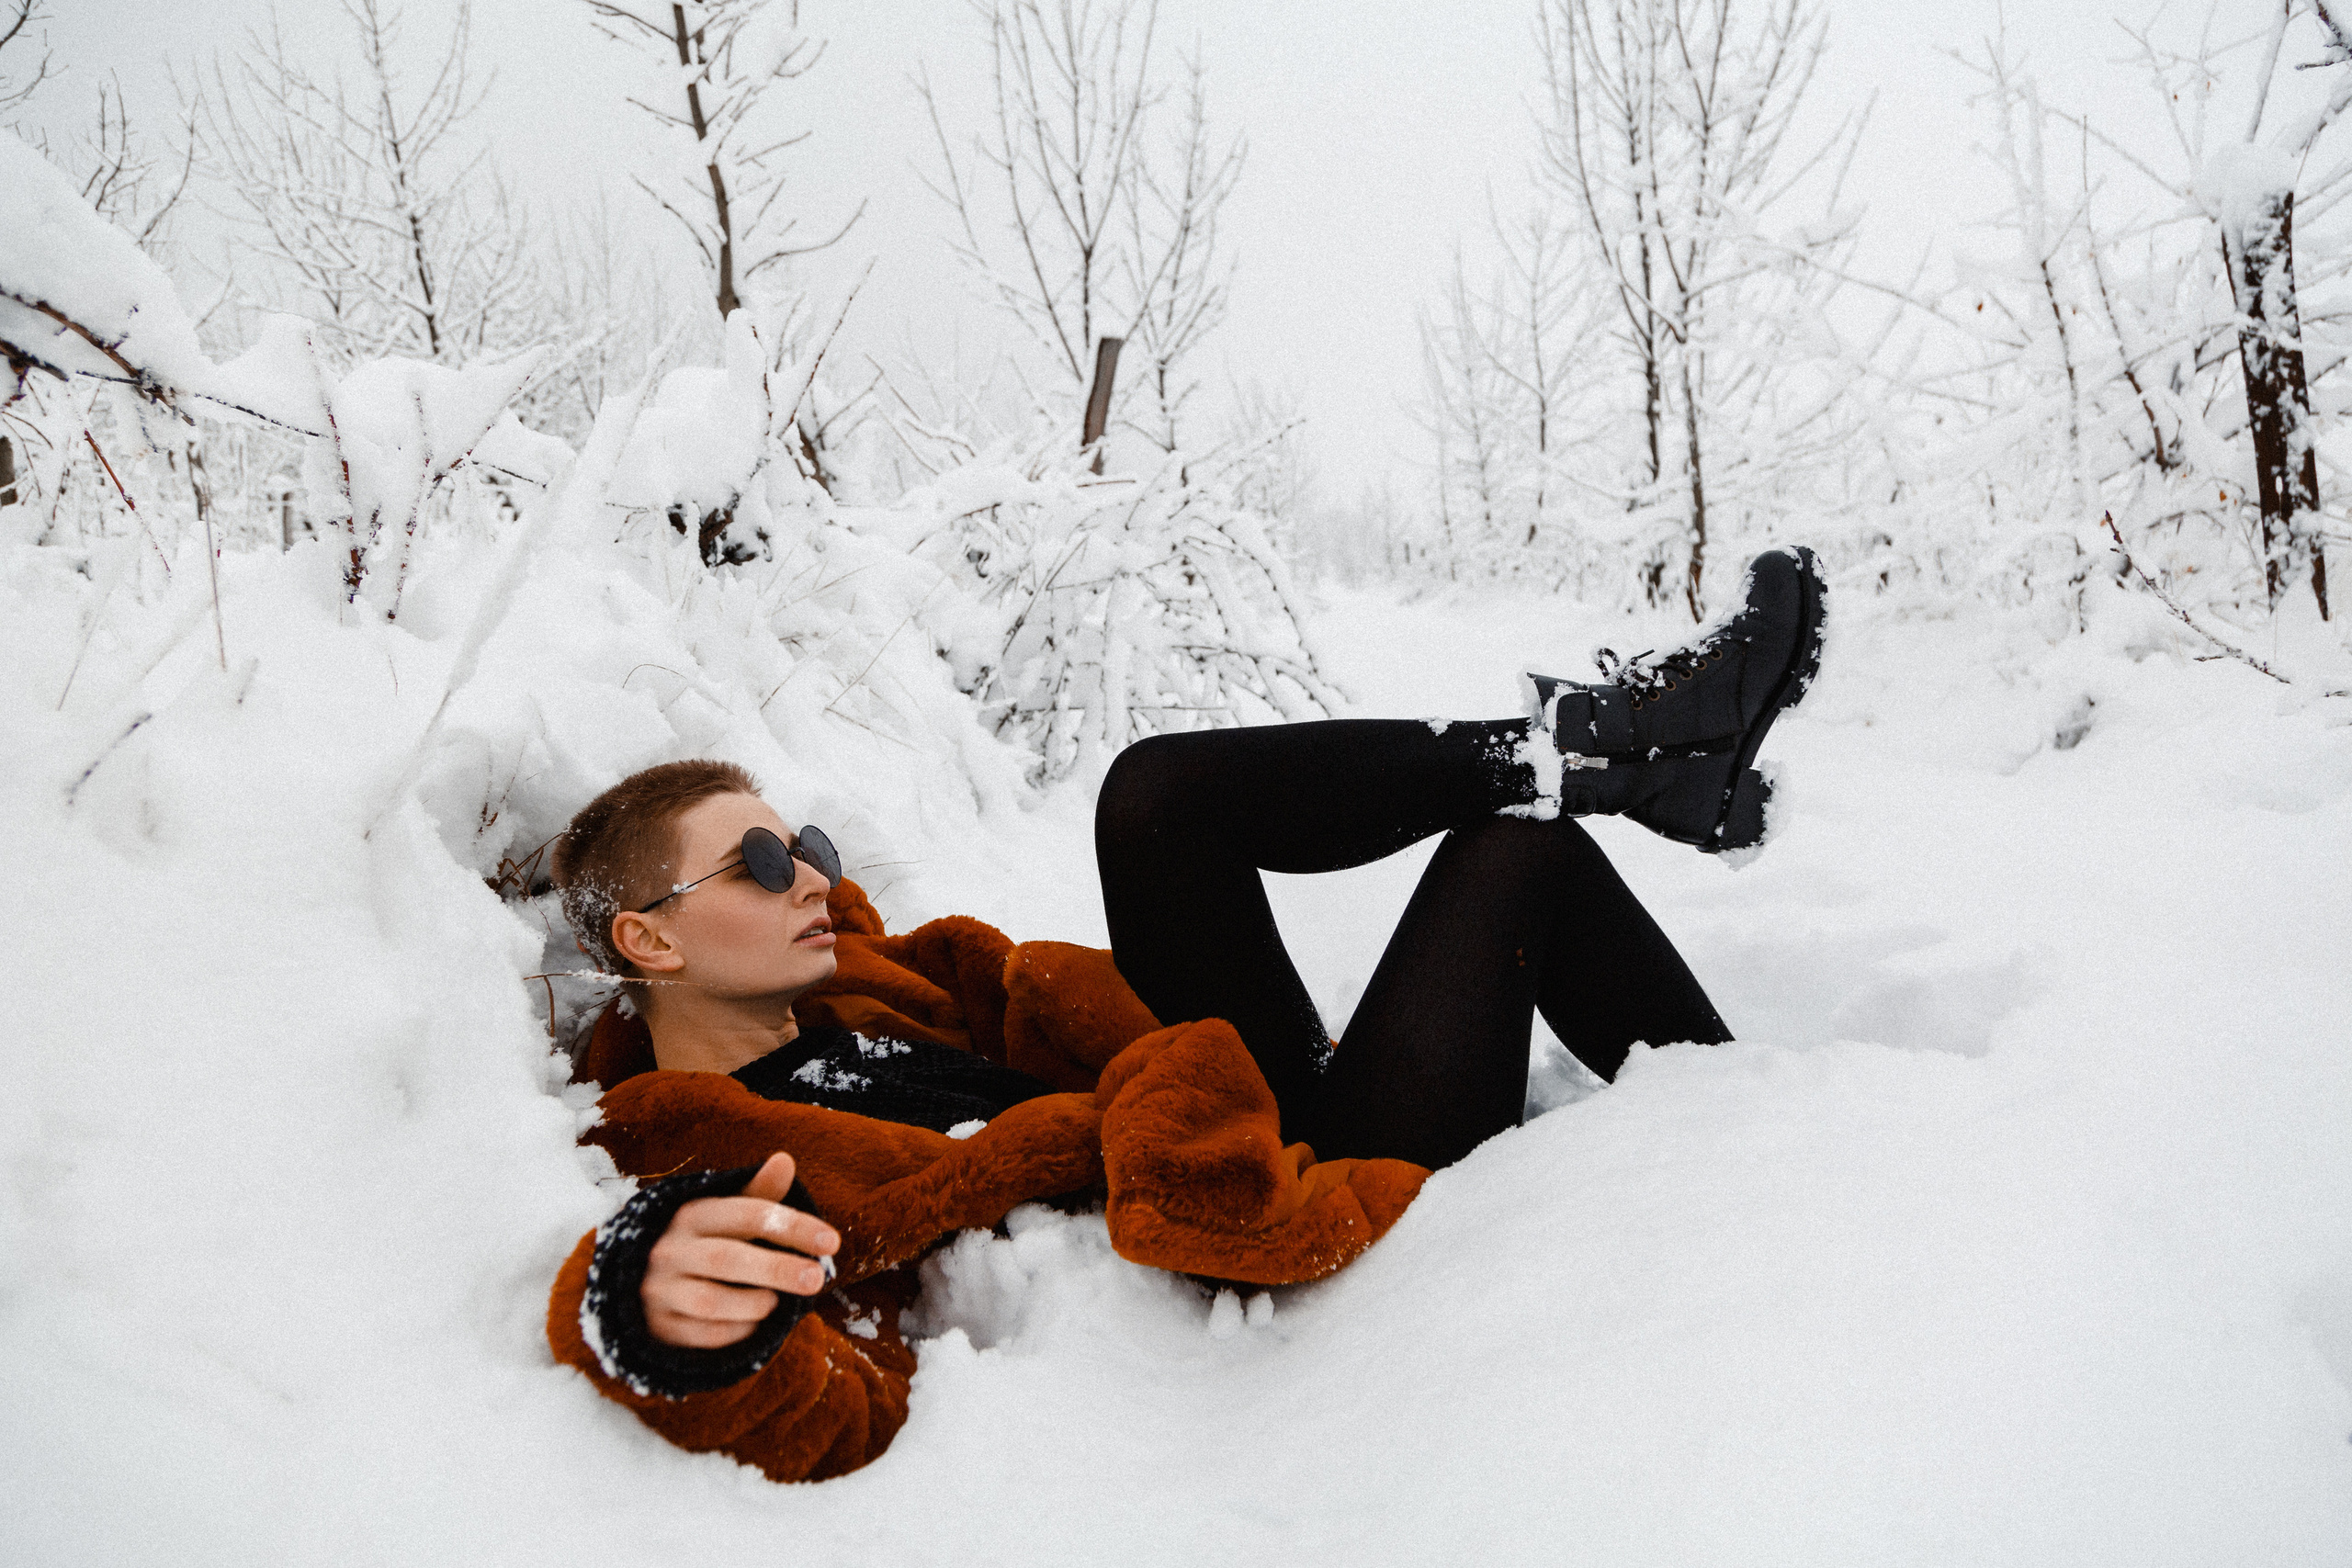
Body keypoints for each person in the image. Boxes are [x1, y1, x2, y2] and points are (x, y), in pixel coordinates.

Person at [550, 547, 1826, 1377]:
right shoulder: (707, 1142)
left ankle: (1600, 743)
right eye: (764, 867)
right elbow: (677, 1301)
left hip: (1209, 1101)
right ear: (648, 938)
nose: (816, 879)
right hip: (1238, 1210)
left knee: (1153, 795)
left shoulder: (871, 989)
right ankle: (1779, 1132)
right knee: (1513, 865)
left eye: (808, 845)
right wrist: (639, 1306)